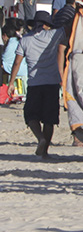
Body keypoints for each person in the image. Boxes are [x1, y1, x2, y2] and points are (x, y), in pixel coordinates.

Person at [7, 12, 66, 159]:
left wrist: (11, 82)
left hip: (34, 83)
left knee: (30, 115)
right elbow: (68, 27)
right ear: (46, 24)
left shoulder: (25, 40)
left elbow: (17, 62)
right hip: (52, 83)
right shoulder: (54, 35)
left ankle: (40, 138)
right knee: (49, 119)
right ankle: (45, 150)